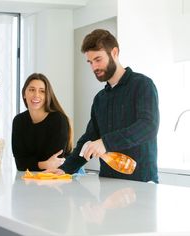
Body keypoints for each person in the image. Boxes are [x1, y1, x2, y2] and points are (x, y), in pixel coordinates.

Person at [53, 29, 159, 183]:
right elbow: (89, 139)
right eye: (90, 62)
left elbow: (148, 126)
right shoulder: (100, 99)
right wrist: (65, 169)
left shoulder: (143, 85)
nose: (94, 67)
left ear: (114, 52)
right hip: (108, 183)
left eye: (98, 59)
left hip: (141, 182)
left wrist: (106, 143)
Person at [12, 73, 72, 171]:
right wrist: (44, 164)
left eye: (42, 91)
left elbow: (55, 163)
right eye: (32, 90)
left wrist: (33, 164)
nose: (36, 95)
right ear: (24, 94)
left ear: (47, 95)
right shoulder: (18, 121)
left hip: (59, 178)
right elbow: (20, 164)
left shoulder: (59, 120)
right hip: (31, 179)